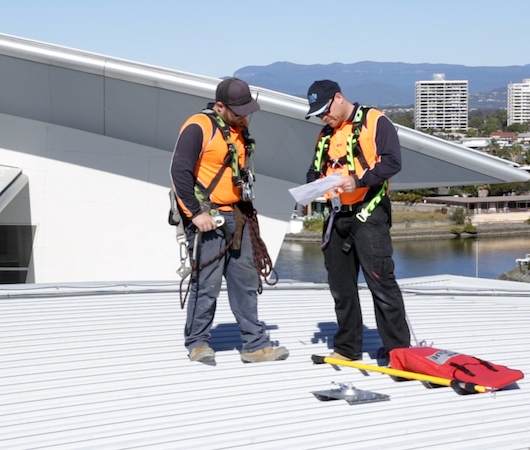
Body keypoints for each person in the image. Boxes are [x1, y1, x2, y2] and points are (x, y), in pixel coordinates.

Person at [170, 77, 289, 364]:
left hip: (238, 213)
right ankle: (198, 343)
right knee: (206, 282)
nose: (245, 115)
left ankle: (254, 344)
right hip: (208, 216)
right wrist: (196, 214)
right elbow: (179, 172)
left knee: (245, 280)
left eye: (248, 110)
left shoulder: (239, 127)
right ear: (220, 106)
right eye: (239, 110)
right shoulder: (198, 126)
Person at [304, 80, 410, 362]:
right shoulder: (325, 134)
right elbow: (314, 170)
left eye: (325, 110)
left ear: (339, 98)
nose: (323, 117)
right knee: (340, 285)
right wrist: (312, 188)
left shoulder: (375, 121)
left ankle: (398, 351)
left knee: (381, 281)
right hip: (336, 214)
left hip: (369, 211)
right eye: (318, 114)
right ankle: (347, 348)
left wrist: (360, 181)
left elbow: (392, 162)